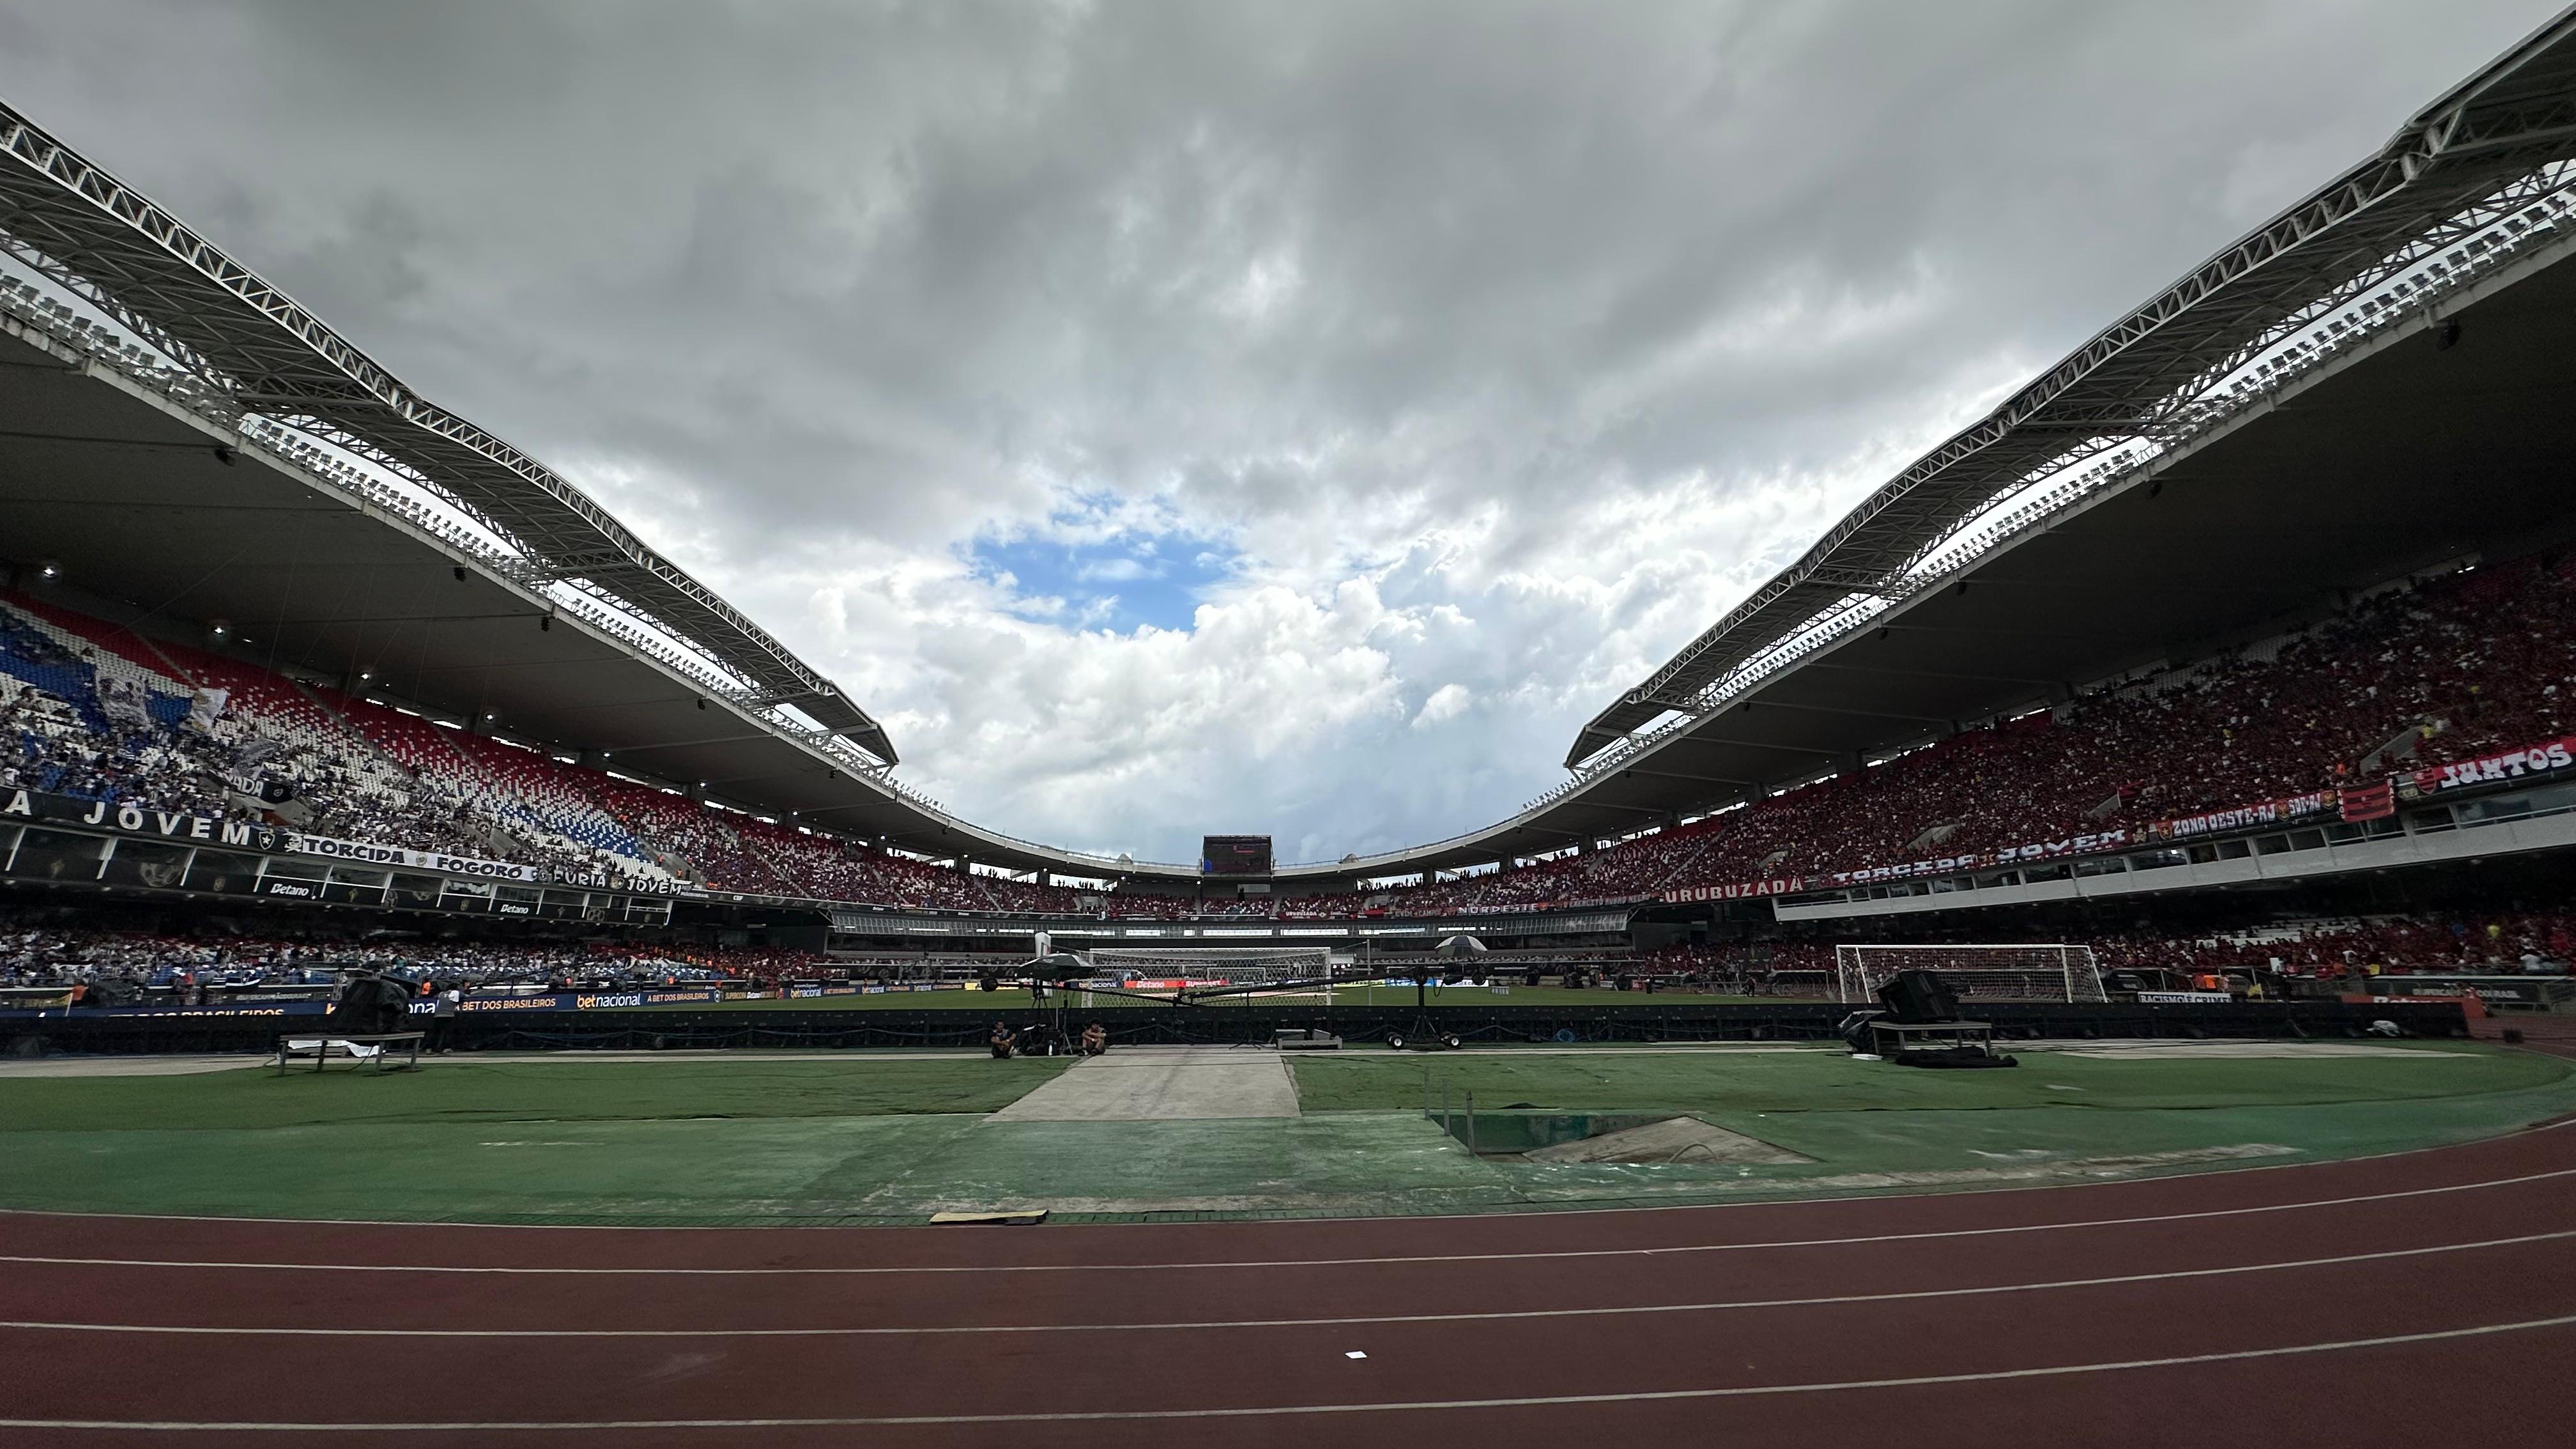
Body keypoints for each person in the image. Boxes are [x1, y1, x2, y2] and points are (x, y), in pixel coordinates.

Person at [427, 980, 463, 1054]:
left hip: (438, 1015)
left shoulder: (441, 994)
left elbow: (435, 997)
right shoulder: (456, 993)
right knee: (449, 1032)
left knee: (436, 1033)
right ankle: (447, 1048)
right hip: (449, 1015)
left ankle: (430, 1048)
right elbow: (467, 996)